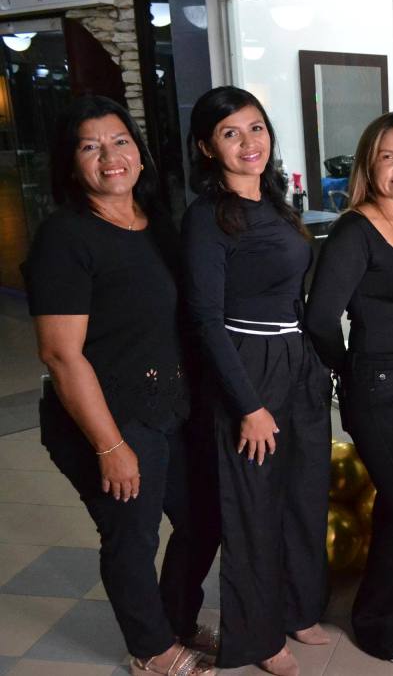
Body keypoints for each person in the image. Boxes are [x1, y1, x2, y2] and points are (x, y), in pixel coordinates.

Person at [25, 95, 216, 676]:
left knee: (204, 517)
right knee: (131, 536)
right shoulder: (66, 237)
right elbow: (61, 354)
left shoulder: (156, 223)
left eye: (120, 141)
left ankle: (175, 620)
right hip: (108, 415)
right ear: (70, 163)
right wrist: (110, 445)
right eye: (91, 147)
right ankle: (151, 649)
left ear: (139, 151)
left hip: (171, 405)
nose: (110, 157)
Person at [181, 86, 333, 676]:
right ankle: (257, 636)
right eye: (231, 133)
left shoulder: (275, 202)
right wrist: (247, 405)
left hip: (296, 359)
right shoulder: (207, 218)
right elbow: (205, 318)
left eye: (256, 128)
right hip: (248, 365)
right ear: (206, 147)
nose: (249, 142)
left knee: (303, 495)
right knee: (253, 509)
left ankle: (298, 608)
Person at [306, 113, 393, 667]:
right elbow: (320, 318)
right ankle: (373, 616)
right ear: (370, 165)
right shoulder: (355, 230)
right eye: (389, 157)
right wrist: (351, 372)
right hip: (380, 386)